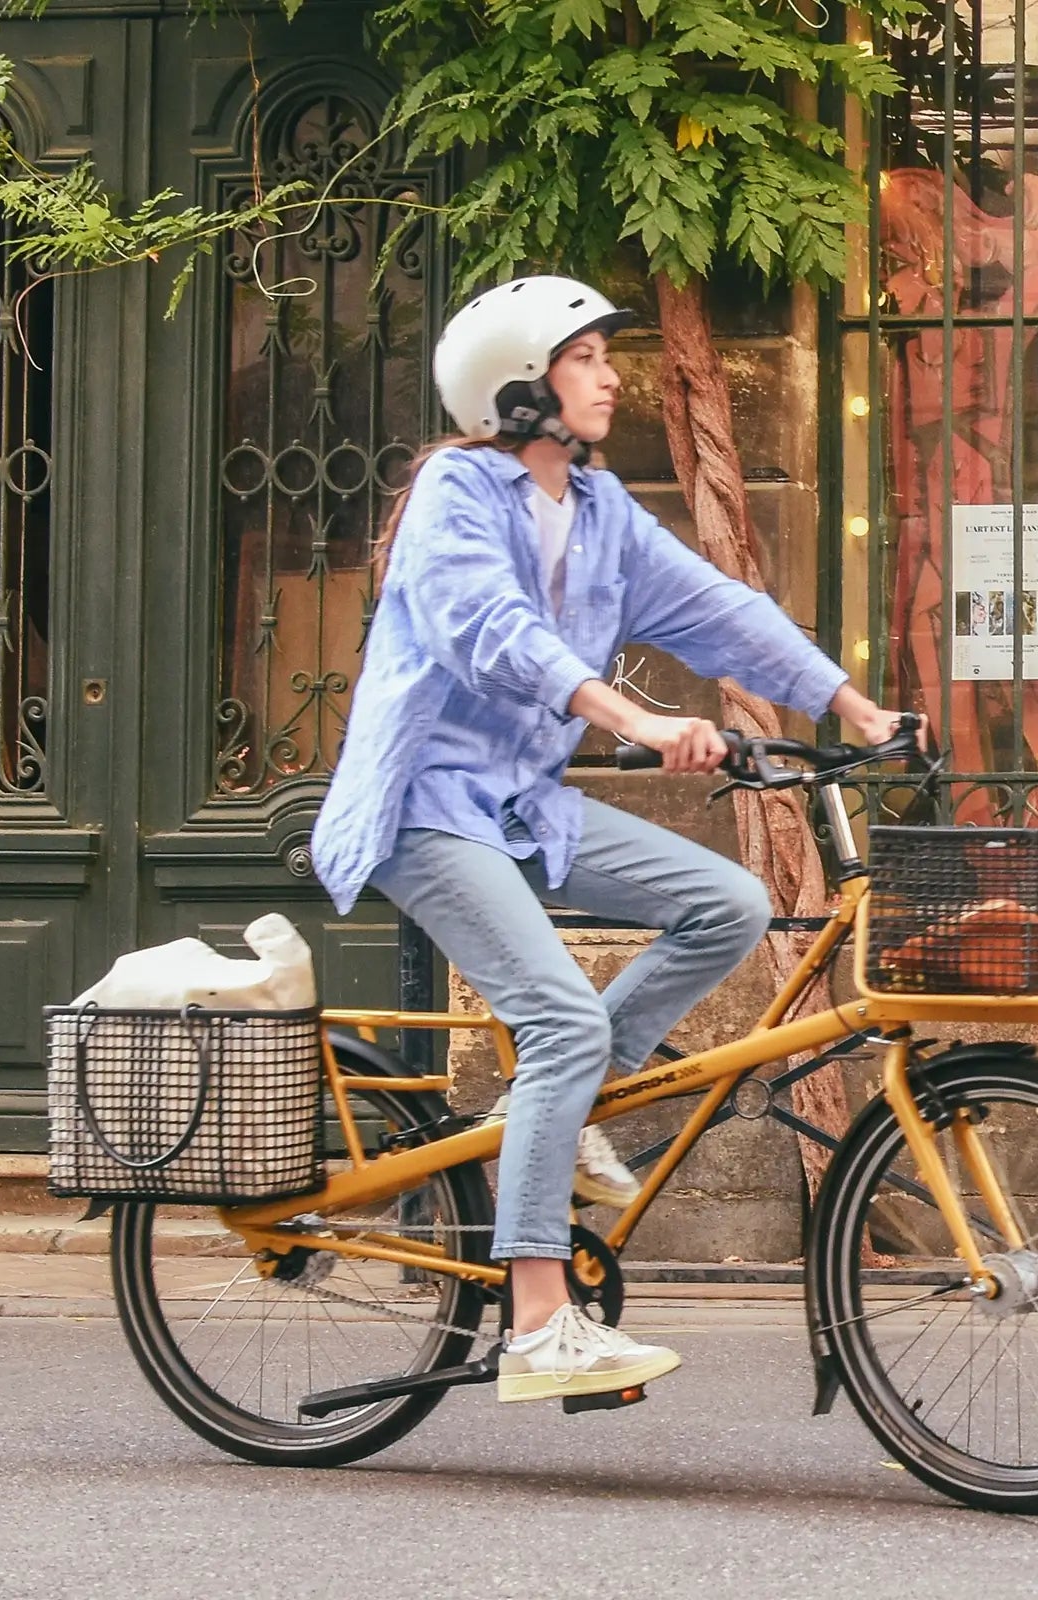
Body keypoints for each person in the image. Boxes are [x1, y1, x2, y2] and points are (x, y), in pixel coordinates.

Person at [308, 275, 902, 1403]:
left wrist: (849, 702)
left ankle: (561, 1108)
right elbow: (495, 633)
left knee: (726, 902)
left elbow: (720, 608)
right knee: (562, 1016)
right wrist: (634, 716)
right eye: (586, 357)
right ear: (520, 386)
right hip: (427, 805)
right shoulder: (454, 495)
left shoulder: (599, 510)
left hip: (526, 805)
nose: (612, 373)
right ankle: (538, 1322)